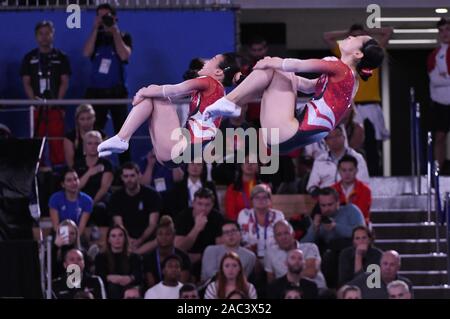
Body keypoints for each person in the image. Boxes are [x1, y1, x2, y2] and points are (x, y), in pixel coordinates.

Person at [203, 36, 384, 155]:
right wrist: (271, 67)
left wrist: (271, 61)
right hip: (288, 139)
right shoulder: (352, 81)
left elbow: (296, 65)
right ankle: (233, 99)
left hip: (288, 132)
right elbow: (307, 86)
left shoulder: (339, 67)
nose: (351, 36)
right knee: (276, 72)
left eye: (357, 38)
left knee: (279, 70)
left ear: (358, 53)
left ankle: (229, 101)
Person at [97, 53, 241, 167]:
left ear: (218, 72)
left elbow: (172, 90)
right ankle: (121, 138)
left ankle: (122, 138)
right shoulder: (216, 90)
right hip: (180, 154)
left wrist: (142, 92)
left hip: (180, 149)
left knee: (156, 95)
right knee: (153, 96)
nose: (206, 61)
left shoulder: (210, 82)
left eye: (213, 59)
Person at [323, 24, 393, 175]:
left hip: (372, 105)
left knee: (374, 144)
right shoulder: (346, 54)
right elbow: (327, 36)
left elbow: (388, 32)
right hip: (352, 105)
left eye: (360, 37)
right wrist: (348, 32)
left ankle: (375, 174)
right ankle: (350, 173)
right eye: (355, 37)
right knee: (351, 143)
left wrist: (366, 32)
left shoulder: (373, 53)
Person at [83, 3, 132, 164]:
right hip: (96, 93)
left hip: (117, 93)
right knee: (95, 132)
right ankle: (95, 166)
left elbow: (124, 56)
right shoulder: (95, 37)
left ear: (115, 17)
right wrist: (96, 29)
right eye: (100, 16)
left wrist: (115, 32)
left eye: (107, 16)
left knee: (122, 133)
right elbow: (86, 53)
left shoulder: (123, 36)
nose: (103, 19)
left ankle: (125, 167)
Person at [20, 20, 71, 167]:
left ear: (52, 35)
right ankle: (38, 170)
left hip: (55, 107)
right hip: (36, 107)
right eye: (41, 34)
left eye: (47, 33)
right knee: (37, 141)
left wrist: (58, 102)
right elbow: (26, 82)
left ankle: (59, 171)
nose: (44, 37)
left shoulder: (61, 57)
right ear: (36, 36)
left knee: (57, 141)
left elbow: (64, 81)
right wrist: (33, 101)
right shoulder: (29, 58)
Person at [301, 187, 365, 288]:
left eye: (330, 204)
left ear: (338, 202)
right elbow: (303, 245)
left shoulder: (351, 210)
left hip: (350, 252)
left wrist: (336, 226)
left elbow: (362, 234)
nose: (327, 208)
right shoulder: (320, 219)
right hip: (328, 256)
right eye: (323, 205)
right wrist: (314, 228)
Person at [110, 162, 162, 252]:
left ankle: (135, 254)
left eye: (132, 176)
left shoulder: (152, 195)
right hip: (125, 239)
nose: (129, 179)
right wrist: (128, 240)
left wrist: (140, 240)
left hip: (147, 238)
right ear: (122, 178)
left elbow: (152, 224)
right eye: (126, 176)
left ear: (139, 175)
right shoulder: (116, 197)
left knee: (159, 239)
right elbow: (119, 224)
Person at [265, 220, 326, 289]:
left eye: (286, 233)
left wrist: (287, 277)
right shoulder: (270, 253)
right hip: (287, 292)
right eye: (279, 235)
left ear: (293, 234)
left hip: (316, 288)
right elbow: (271, 280)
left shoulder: (310, 247)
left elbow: (311, 272)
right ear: (275, 239)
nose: (283, 238)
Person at [306, 127, 370, 193]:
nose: (335, 139)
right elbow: (311, 186)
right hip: (326, 199)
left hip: (351, 197)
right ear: (326, 142)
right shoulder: (320, 160)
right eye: (330, 137)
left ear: (344, 137)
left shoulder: (357, 158)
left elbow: (364, 182)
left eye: (337, 135)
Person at [74, 130, 114, 226]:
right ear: (84, 146)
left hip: (100, 200)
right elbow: (76, 187)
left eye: (96, 143)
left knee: (99, 209)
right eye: (90, 143)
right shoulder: (78, 164)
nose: (93, 146)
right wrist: (89, 173)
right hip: (81, 199)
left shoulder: (106, 164)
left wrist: (91, 204)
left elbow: (104, 188)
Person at [237, 184, 285, 259]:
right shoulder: (244, 214)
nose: (261, 200)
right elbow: (241, 238)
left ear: (270, 200)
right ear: (252, 200)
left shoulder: (278, 215)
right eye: (257, 197)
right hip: (250, 255)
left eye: (264, 197)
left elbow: (283, 238)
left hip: (274, 255)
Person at [142, 216, 191, 288]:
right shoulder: (148, 257)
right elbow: (150, 284)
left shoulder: (183, 257)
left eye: (167, 234)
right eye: (160, 234)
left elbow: (182, 285)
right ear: (156, 236)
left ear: (174, 236)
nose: (163, 237)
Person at [94, 225, 142, 299]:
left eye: (120, 235)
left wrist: (130, 278)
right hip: (108, 290)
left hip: (129, 288)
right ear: (108, 239)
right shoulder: (101, 257)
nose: (117, 239)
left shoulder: (134, 257)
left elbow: (139, 274)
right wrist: (109, 278)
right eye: (113, 236)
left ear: (125, 238)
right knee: (113, 287)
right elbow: (99, 275)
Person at [427, 18, 450, 171]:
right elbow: (434, 79)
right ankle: (438, 170)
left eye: (447, 29)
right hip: (440, 103)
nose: (444, 33)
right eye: (441, 30)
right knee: (440, 137)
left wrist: (445, 76)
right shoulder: (434, 55)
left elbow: (441, 78)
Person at [346, 250, 413, 299]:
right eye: (385, 264)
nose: (388, 267)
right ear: (380, 264)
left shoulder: (405, 283)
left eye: (392, 264)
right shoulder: (366, 278)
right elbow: (344, 289)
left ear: (398, 267)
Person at [49, 169, 93, 236]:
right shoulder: (55, 198)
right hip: (59, 234)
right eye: (69, 180)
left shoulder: (87, 200)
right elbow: (56, 226)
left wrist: (73, 240)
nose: (74, 183)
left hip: (77, 235)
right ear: (63, 184)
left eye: (75, 179)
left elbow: (81, 227)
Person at [332, 154, 372, 225]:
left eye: (350, 170)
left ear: (356, 170)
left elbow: (361, 214)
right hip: (337, 227)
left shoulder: (365, 190)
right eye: (344, 170)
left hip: (359, 227)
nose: (347, 174)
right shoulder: (332, 190)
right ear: (339, 171)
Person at [64, 104, 105, 168]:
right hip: (77, 172)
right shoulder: (70, 137)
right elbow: (70, 164)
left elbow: (104, 159)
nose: (86, 122)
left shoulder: (102, 136)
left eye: (89, 118)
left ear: (94, 118)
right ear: (77, 120)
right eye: (82, 119)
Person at [224, 154, 260, 221]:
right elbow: (230, 214)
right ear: (241, 165)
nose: (250, 164)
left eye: (253, 162)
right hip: (239, 225)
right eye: (247, 161)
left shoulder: (263, 187)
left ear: (258, 167)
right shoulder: (232, 188)